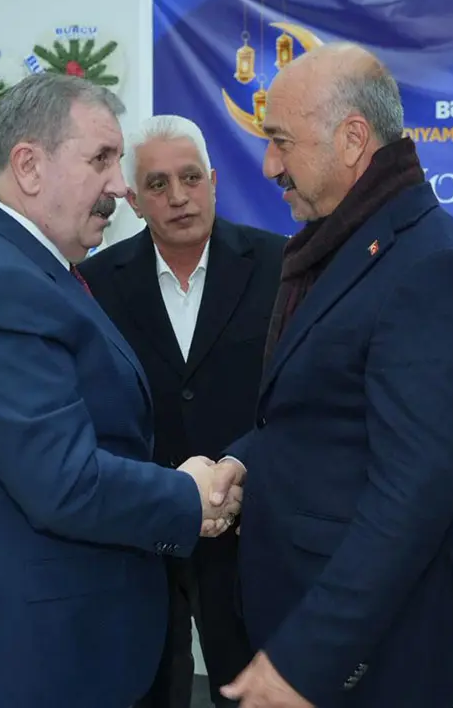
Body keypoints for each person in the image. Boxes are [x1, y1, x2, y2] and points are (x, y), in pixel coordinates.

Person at [0, 73, 244, 708]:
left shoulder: (25, 268)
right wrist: (188, 495)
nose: (118, 185)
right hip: (19, 664)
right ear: (29, 166)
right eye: (101, 159)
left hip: (51, 651)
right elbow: (64, 481)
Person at [211, 43, 453, 708]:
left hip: (369, 658)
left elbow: (412, 495)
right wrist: (242, 461)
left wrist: (307, 656)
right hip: (313, 627)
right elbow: (323, 412)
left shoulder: (432, 268)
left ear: (351, 139)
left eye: (281, 141)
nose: (269, 164)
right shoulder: (340, 246)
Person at [79, 115, 284, 708]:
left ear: (214, 182)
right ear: (134, 200)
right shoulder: (93, 283)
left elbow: (295, 397)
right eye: (158, 184)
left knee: (249, 693)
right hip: (141, 536)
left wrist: (239, 471)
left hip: (251, 529)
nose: (178, 196)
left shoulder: (281, 265)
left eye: (191, 178)